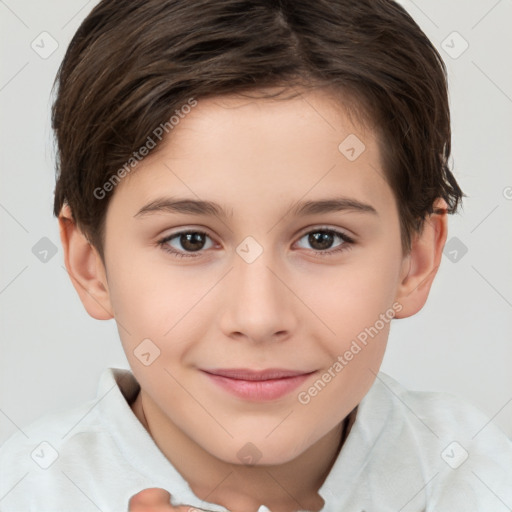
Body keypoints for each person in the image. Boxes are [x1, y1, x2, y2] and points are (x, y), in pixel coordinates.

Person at [1, 0, 511, 511]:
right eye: (190, 240)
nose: (259, 317)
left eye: (322, 239)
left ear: (416, 259)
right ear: (91, 265)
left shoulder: (485, 479)